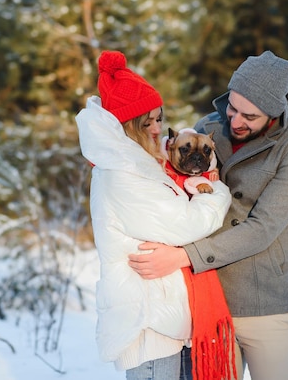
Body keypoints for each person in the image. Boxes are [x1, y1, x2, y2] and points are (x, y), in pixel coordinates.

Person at [128, 51, 288, 380]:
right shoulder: (207, 129)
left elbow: (262, 228)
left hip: (266, 301)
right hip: (210, 301)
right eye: (232, 107)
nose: (235, 121)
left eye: (250, 116)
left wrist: (183, 257)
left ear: (274, 112)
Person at [75, 50, 236, 380]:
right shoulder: (123, 172)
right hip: (147, 322)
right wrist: (216, 188)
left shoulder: (140, 165)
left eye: (159, 119)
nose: (157, 129)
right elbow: (187, 224)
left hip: (164, 316)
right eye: (146, 122)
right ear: (126, 127)